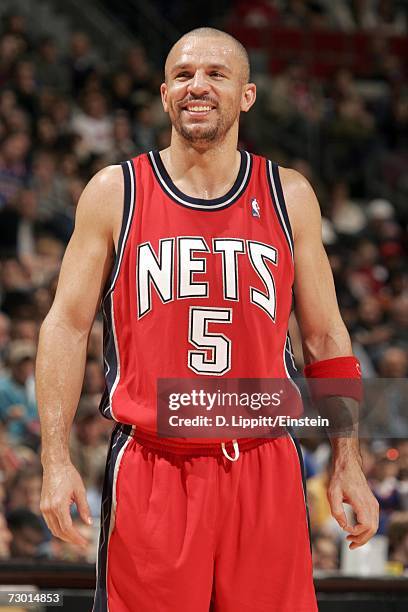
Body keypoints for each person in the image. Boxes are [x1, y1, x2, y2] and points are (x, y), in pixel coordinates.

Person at [36, 27, 379, 612]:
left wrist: (348, 461)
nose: (197, 86)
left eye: (216, 74)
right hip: (153, 465)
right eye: (183, 75)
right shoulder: (115, 192)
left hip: (264, 460)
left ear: (247, 94)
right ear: (164, 94)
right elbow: (65, 326)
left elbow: (326, 336)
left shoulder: (289, 194)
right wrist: (55, 458)